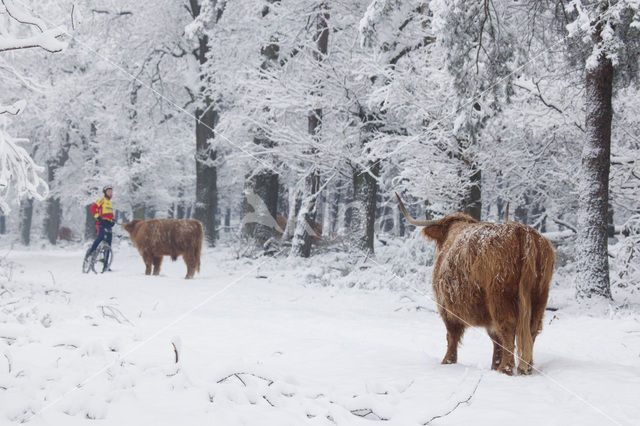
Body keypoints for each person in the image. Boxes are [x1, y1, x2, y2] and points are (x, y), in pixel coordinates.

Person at [85, 185, 115, 266]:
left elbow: (110, 214)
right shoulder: (102, 200)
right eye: (108, 191)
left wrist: (112, 221)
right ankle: (90, 253)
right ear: (105, 192)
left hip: (108, 224)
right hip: (101, 223)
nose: (110, 193)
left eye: (111, 191)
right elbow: (93, 208)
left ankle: (106, 264)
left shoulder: (109, 202)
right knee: (100, 237)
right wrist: (98, 217)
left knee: (109, 244)